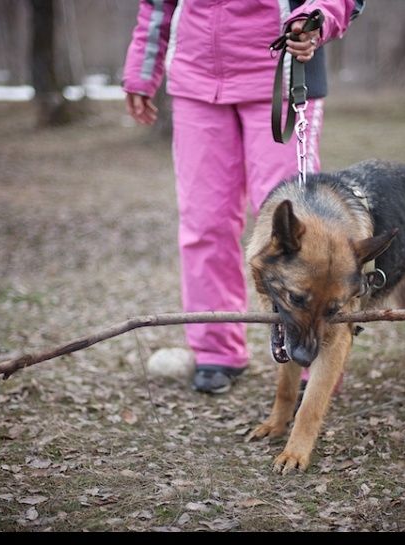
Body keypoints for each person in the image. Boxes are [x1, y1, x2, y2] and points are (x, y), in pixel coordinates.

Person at [123, 0, 364, 394]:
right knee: (205, 224)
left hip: (282, 75)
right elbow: (157, 5)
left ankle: (316, 360)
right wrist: (141, 71)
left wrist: (317, 19)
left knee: (296, 230)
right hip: (196, 80)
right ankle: (216, 349)